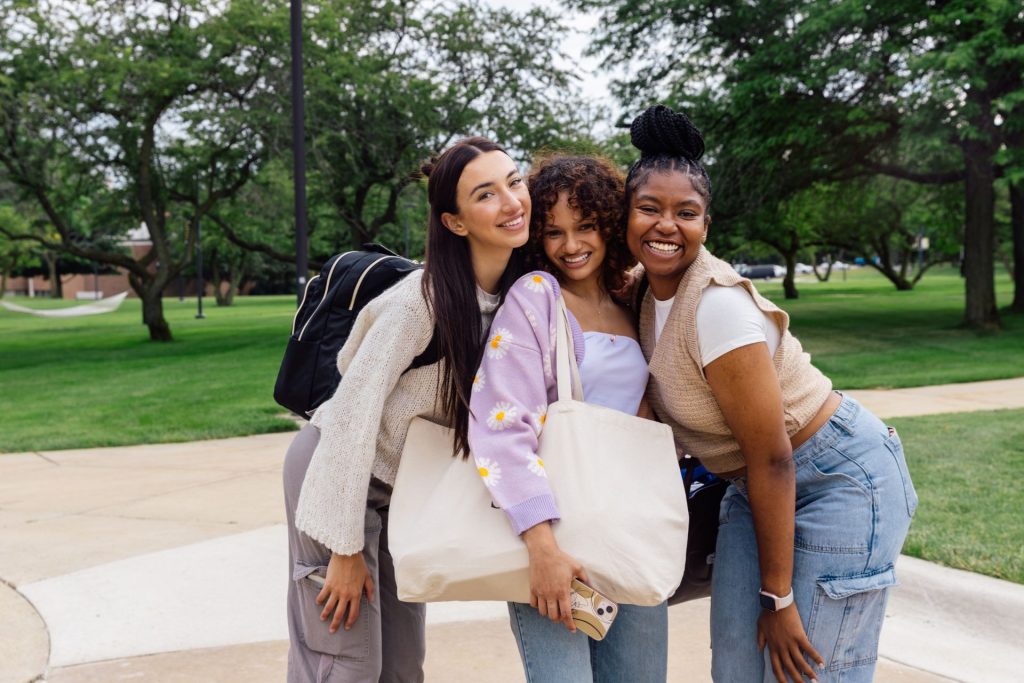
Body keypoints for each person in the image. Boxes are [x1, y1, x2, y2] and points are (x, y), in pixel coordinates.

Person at [624, 104, 917, 683]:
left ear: (706, 225)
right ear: (624, 216)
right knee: (736, 666)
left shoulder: (716, 307)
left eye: (687, 212)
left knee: (804, 671)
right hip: (749, 486)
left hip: (837, 478)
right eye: (648, 208)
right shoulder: (640, 292)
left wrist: (778, 600)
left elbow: (774, 454)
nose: (666, 225)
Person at [282, 136, 530, 682]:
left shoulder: (519, 294)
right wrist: (344, 549)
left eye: (515, 181)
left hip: (401, 491)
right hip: (339, 476)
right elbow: (350, 415)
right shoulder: (422, 302)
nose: (512, 202)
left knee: (401, 667)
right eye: (486, 194)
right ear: (455, 222)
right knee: (345, 661)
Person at [467, 154, 668, 682]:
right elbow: (501, 426)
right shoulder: (535, 298)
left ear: (608, 223)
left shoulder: (634, 296)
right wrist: (542, 548)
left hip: (630, 526)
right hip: (558, 535)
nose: (571, 245)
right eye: (553, 232)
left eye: (585, 227)